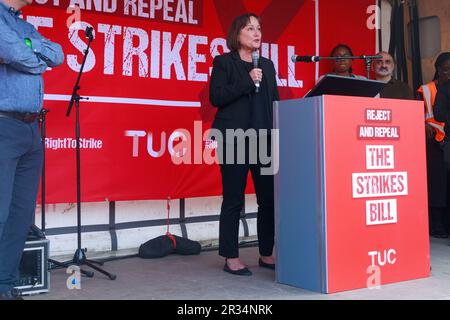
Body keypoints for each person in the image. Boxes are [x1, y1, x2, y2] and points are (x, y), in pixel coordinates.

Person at [0, 0, 64, 300]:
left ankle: (4, 284)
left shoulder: (23, 24)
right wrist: (31, 52)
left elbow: (58, 54)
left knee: (20, 214)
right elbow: (14, 52)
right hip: (3, 125)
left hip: (30, 128)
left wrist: (28, 47)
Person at [209, 13, 279, 276]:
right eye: (250, 28)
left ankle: (266, 252)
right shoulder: (224, 62)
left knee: (268, 200)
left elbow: (275, 102)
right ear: (237, 34)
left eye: (259, 28)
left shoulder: (268, 66)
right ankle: (230, 257)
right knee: (234, 200)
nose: (257, 33)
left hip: (265, 140)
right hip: (234, 138)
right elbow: (217, 97)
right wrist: (248, 80)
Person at [418, 52, 450, 238]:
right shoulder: (426, 89)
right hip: (433, 142)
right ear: (438, 70)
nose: (449, 74)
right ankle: (436, 225)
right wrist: (423, 125)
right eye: (446, 70)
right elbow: (414, 113)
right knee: (437, 185)